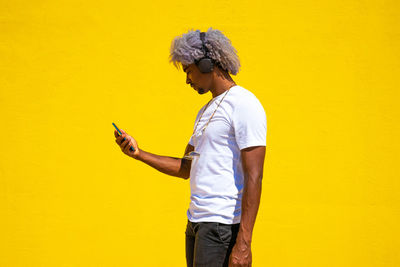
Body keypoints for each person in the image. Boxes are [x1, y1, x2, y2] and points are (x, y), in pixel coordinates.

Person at [114, 27, 267, 267]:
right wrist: (138, 153)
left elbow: (255, 176)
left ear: (207, 64)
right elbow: (186, 168)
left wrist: (244, 243)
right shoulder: (204, 113)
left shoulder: (245, 103)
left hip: (221, 224)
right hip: (196, 223)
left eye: (188, 70)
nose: (187, 79)